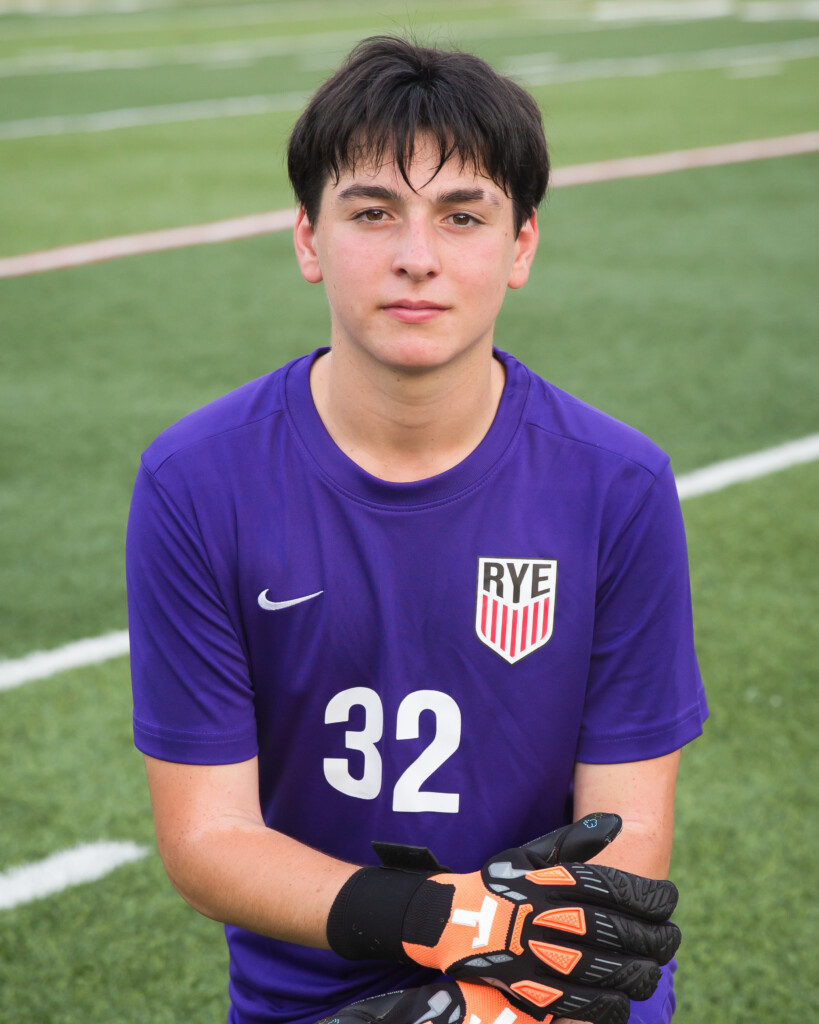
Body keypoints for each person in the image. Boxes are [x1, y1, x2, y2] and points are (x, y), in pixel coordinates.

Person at [126, 36, 707, 1024]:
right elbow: (207, 840)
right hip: (318, 991)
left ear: (520, 246)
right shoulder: (195, 481)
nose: (417, 256)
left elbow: (627, 835)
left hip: (561, 980)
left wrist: (482, 1004)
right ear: (309, 238)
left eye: (462, 214)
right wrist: (450, 919)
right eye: (372, 211)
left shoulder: (619, 482)